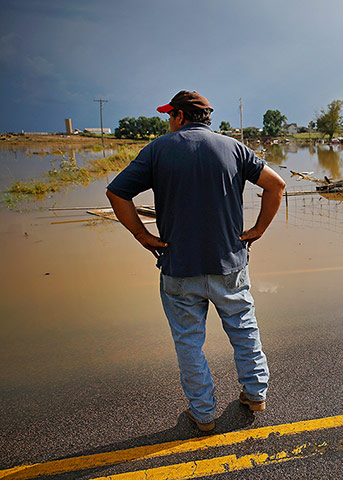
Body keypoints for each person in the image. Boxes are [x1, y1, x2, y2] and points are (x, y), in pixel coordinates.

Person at [106, 90, 285, 432]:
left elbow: (116, 192)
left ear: (180, 116)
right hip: (229, 263)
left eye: (170, 115)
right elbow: (275, 185)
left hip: (179, 266)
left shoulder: (159, 149)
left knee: (189, 341)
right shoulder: (233, 148)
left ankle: (203, 414)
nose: (168, 121)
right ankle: (255, 394)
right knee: (243, 328)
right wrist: (258, 229)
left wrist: (142, 235)